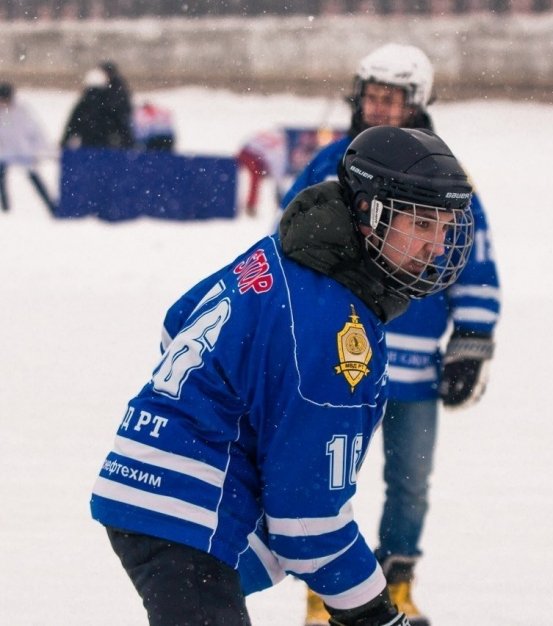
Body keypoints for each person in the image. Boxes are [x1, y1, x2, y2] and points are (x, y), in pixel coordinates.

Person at [89, 125, 476, 626]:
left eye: (446, 228)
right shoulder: (336, 330)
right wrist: (377, 616)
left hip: (151, 484)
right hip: (186, 510)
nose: (438, 247)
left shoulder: (283, 255)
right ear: (369, 214)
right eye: (423, 225)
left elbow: (178, 324)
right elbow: (307, 521)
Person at [283, 43, 501, 626]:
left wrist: (473, 338)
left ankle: (397, 586)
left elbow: (471, 259)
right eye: (372, 97)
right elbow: (292, 250)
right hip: (338, 358)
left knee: (411, 486)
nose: (378, 109)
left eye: (392, 99)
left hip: (413, 368)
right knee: (330, 478)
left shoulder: (447, 176)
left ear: (419, 103)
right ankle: (323, 594)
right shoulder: (328, 162)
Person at [0, 82, 57, 214]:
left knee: (34, 178)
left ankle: (52, 208)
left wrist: (44, 150)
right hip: (3, 152)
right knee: (1, 179)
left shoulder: (22, 110)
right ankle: (5, 210)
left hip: (23, 151)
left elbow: (36, 131)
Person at [61, 63, 135, 149]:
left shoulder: (113, 95)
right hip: (106, 143)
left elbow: (74, 122)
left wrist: (65, 141)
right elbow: (122, 121)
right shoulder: (115, 94)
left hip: (97, 142)